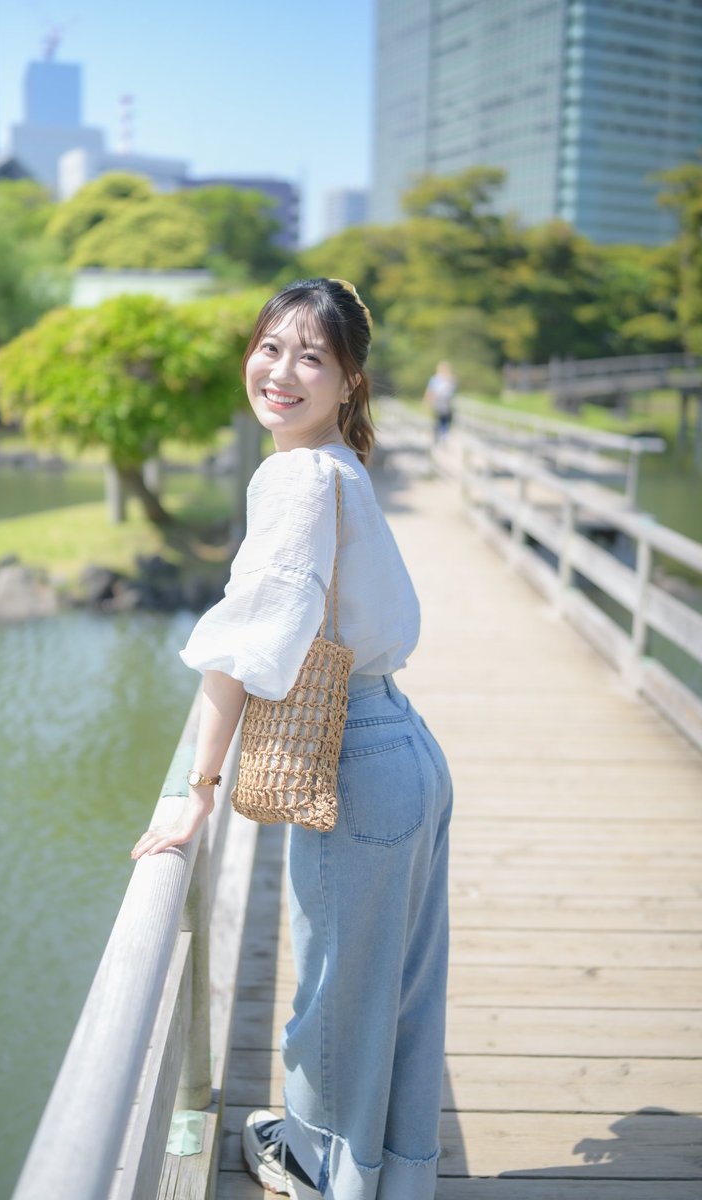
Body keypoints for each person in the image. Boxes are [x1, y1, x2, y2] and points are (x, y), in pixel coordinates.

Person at [131, 278, 454, 1200]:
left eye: (311, 356)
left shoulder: (297, 475)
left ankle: (320, 1165)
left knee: (334, 1002)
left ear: (350, 380)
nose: (281, 371)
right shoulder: (344, 469)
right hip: (406, 746)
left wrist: (198, 788)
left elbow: (244, 641)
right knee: (398, 994)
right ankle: (384, 1170)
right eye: (270, 347)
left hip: (355, 762)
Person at [424, 361, 457, 444]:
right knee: (444, 421)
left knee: (440, 420)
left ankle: (440, 437)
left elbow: (430, 391)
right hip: (445, 403)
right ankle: (442, 437)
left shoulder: (436, 378)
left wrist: (427, 401)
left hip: (440, 402)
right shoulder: (450, 379)